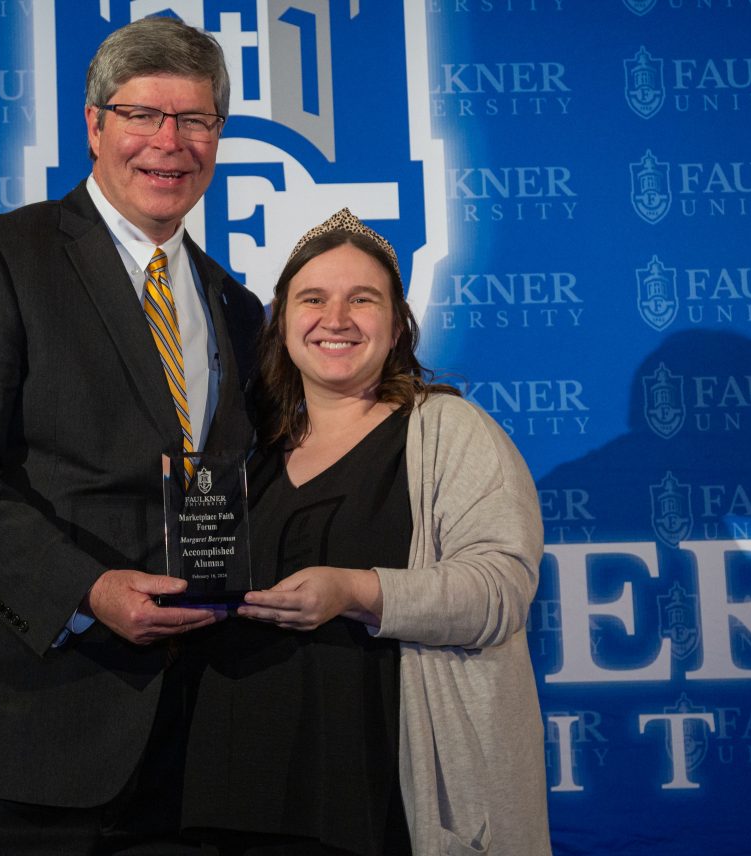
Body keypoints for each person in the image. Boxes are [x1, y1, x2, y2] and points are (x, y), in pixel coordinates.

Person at [0, 16, 264, 855]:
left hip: (178, 755)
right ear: (93, 125)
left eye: (196, 120)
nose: (170, 142)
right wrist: (85, 589)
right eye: (141, 116)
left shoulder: (236, 307)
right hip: (4, 735)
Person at [181, 210, 552, 856]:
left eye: (363, 299)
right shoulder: (246, 451)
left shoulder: (447, 431)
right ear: (282, 319)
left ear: (397, 323)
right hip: (236, 800)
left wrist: (356, 591)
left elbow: (499, 593)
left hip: (377, 803)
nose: (337, 318)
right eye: (314, 298)